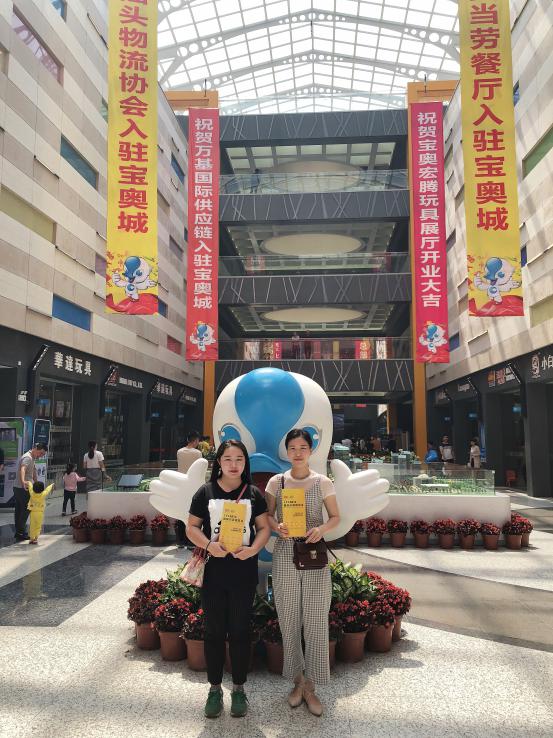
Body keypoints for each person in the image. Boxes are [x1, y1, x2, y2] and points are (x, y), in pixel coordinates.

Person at [186, 440, 270, 719]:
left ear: (246, 463)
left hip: (243, 573)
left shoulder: (254, 494)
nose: (234, 465)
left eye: (239, 459)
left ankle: (239, 689)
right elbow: (191, 527)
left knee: (240, 631)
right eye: (228, 459)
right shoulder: (206, 492)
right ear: (219, 462)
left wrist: (253, 550)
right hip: (213, 572)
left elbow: (263, 528)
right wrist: (209, 545)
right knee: (213, 631)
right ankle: (214, 689)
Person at [266, 429, 341, 716]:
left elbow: (335, 517)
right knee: (288, 618)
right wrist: (277, 527)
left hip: (314, 556)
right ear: (286, 451)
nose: (297, 453)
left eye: (303, 447)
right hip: (285, 554)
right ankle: (297, 681)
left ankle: (311, 686)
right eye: (292, 448)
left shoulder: (323, 482)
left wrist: (321, 529)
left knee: (316, 620)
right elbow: (267, 516)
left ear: (311, 451)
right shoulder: (277, 482)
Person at [13, 443, 47, 542]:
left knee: (19, 509)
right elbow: (23, 469)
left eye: (43, 454)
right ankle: (21, 531)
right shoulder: (27, 457)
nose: (41, 456)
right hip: (23, 488)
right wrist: (23, 481)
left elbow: (33, 471)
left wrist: (36, 483)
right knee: (26, 509)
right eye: (41, 453)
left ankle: (19, 531)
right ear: (36, 448)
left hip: (19, 487)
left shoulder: (32, 457)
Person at [175, 431, 202, 548]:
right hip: (193, 486)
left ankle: (180, 541)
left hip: (181, 485)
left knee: (180, 513)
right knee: (193, 514)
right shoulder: (197, 453)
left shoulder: (179, 452)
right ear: (195, 441)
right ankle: (191, 541)